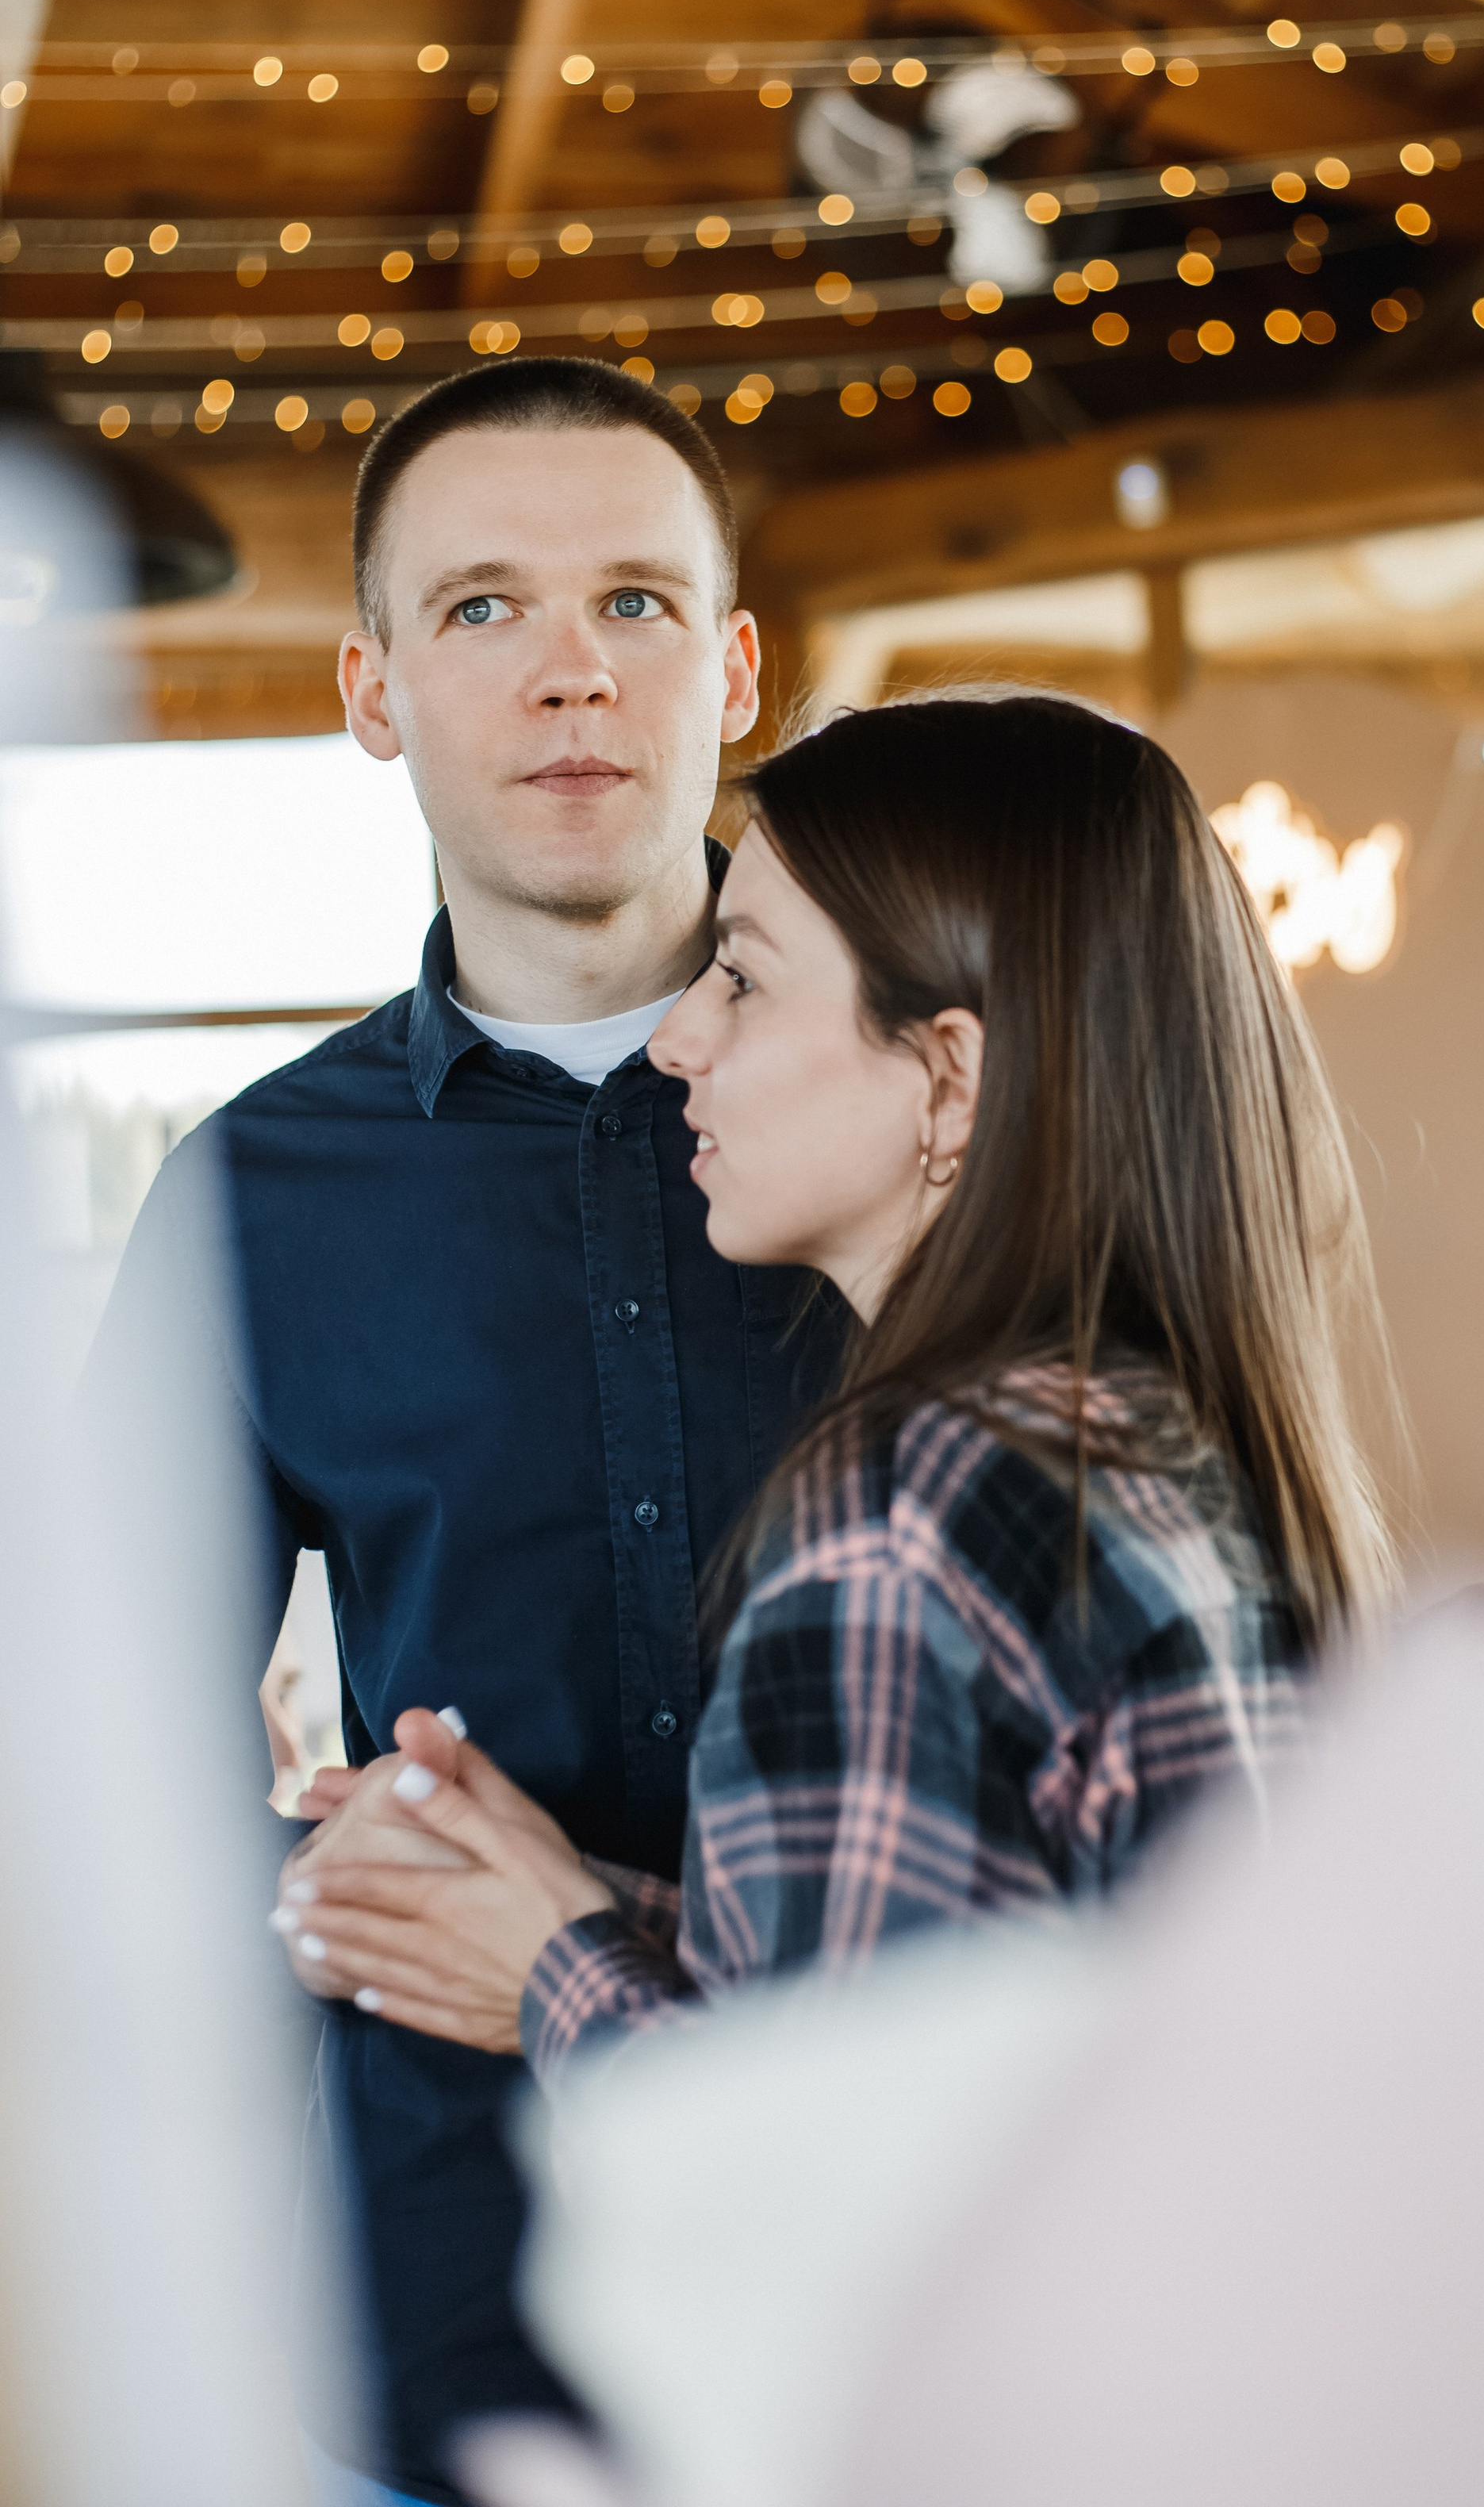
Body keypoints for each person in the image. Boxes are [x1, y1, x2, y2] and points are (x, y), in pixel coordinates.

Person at [86, 359, 842, 2507]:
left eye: (636, 603)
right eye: (484, 610)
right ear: (373, 689)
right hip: (445, 2301)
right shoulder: (251, 1196)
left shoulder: (942, 1121)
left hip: (918, 2273)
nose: (574, 674)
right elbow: (102, 1749)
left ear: (739, 665)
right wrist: (311, 1900)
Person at [267, 694, 1417, 2074]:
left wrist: (553, 1975)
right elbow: (1014, 2015)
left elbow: (842, 2230)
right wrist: (571, 1901)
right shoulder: (1130, 1442)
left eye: (743, 977)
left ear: (948, 1081)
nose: (677, 1040)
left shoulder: (897, 1527)